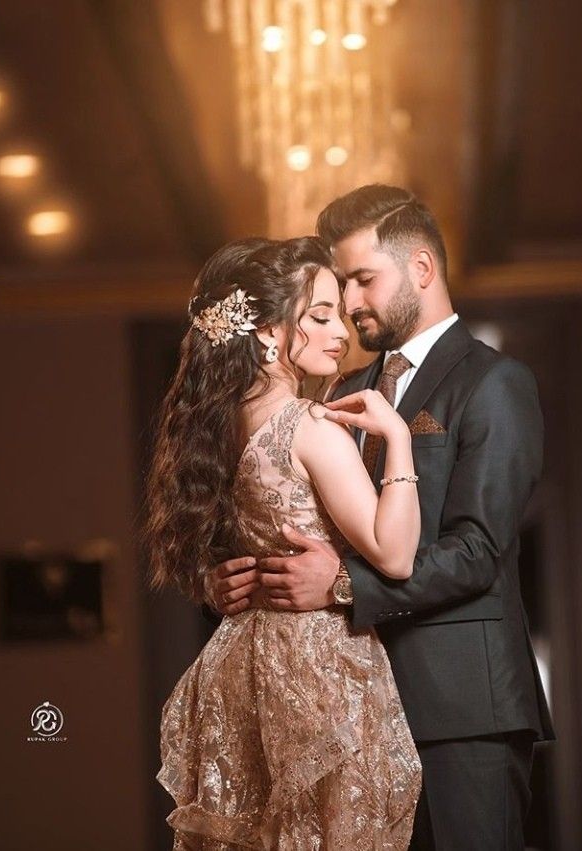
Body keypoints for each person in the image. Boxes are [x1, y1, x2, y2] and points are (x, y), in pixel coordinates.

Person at [209, 186, 556, 851]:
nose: (350, 302)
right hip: (346, 711)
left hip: (462, 710)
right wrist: (236, 578)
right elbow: (294, 510)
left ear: (421, 269)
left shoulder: (494, 382)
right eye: (340, 286)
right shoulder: (338, 389)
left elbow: (478, 550)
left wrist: (344, 584)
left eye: (363, 279)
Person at [145, 235, 422, 850]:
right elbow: (396, 554)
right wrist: (398, 440)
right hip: (320, 667)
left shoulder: (220, 425)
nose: (339, 333)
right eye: (319, 317)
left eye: (339, 317)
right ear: (268, 332)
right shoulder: (309, 426)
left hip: (245, 663)